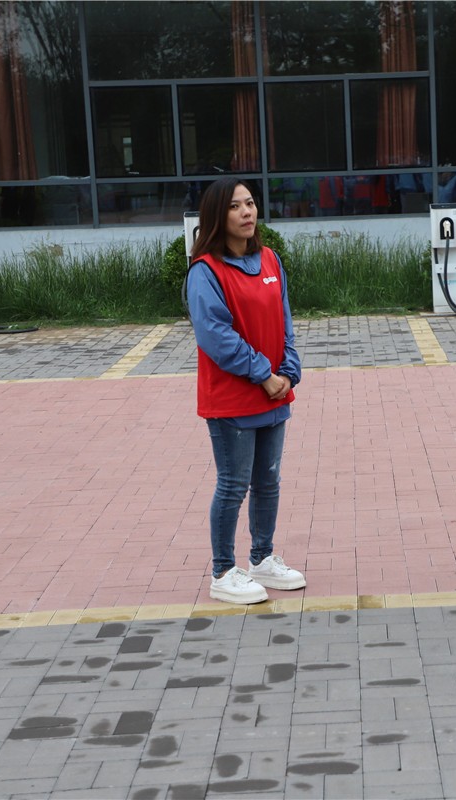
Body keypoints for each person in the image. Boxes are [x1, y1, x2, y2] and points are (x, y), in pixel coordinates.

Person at [186, 178, 306, 604]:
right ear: (217, 216)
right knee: (233, 485)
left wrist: (288, 371)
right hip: (233, 399)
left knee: (268, 481)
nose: (246, 212)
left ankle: (262, 559)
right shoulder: (205, 271)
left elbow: (285, 320)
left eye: (250, 203)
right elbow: (216, 337)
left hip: (274, 392)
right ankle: (223, 571)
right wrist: (263, 374)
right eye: (235, 206)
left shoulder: (270, 259)